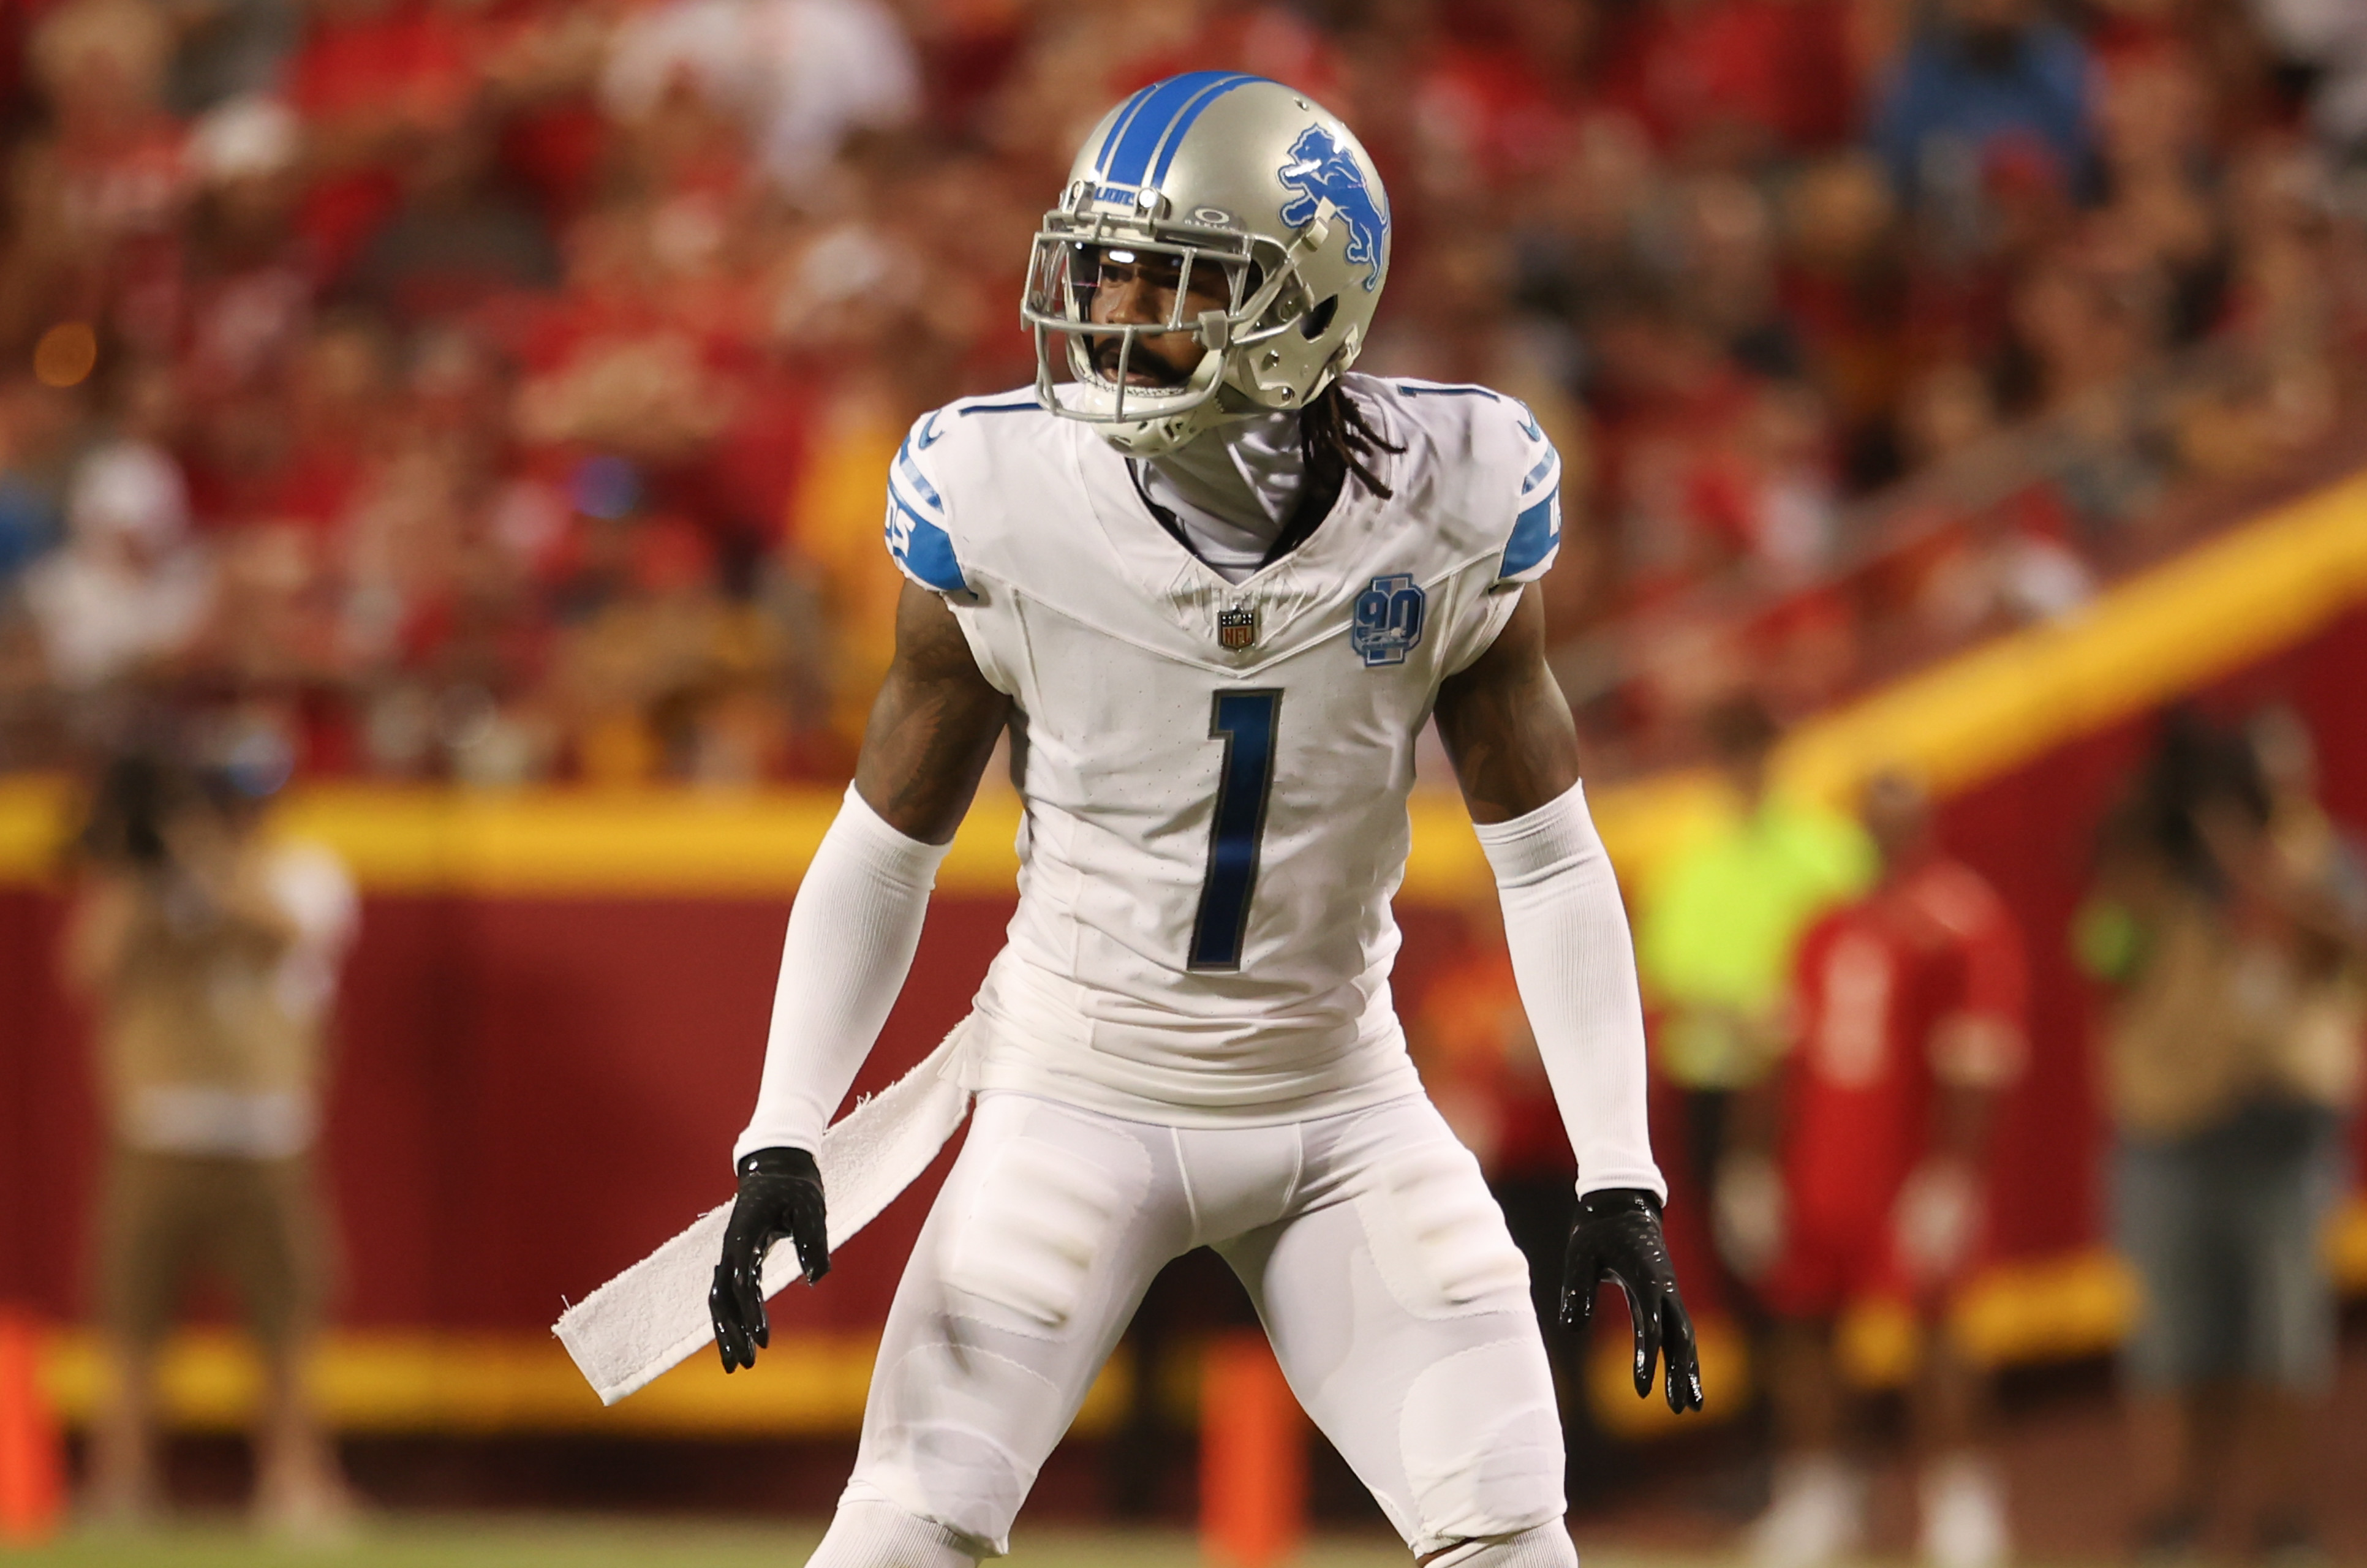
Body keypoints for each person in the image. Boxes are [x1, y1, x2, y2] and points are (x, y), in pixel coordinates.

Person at [704, 74, 1702, 1568]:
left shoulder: (1452, 494)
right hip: (1073, 1094)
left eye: (1162, 276)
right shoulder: (1003, 491)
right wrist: (783, 1125)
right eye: (1095, 264)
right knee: (905, 1529)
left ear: (1305, 306)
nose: (1102, 308)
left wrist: (1618, 1158)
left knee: (1511, 1529)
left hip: (1340, 1105)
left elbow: (1548, 852)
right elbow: (881, 843)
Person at [2078, 709, 2365, 1562]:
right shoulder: (2151, 868)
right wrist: (2138, 847)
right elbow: (2103, 961)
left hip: (2283, 1132)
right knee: (2170, 1337)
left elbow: (2340, 948)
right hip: (2170, 1131)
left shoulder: (2327, 861)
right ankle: (2175, 1514)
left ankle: (2281, 1518)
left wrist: (2249, 867)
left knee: (2285, 1334)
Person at [1726, 772, 2026, 1568]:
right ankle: (1821, 1498)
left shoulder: (1961, 921)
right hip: (1824, 1162)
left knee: (1937, 1335)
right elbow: (1781, 1053)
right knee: (1805, 1333)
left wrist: (1953, 1175)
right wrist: (1752, 1165)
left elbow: (1979, 1059)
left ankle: (1961, 1504)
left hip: (1907, 1163)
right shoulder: (1826, 927)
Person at [62, 739, 358, 1537]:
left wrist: (201, 859)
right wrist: (141, 865)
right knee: (130, 1322)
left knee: (286, 1323)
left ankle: (297, 1480)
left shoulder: (301, 869)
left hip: (267, 1132)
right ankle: (119, 1485)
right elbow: (88, 967)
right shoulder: (140, 879)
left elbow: (284, 931)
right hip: (156, 1127)